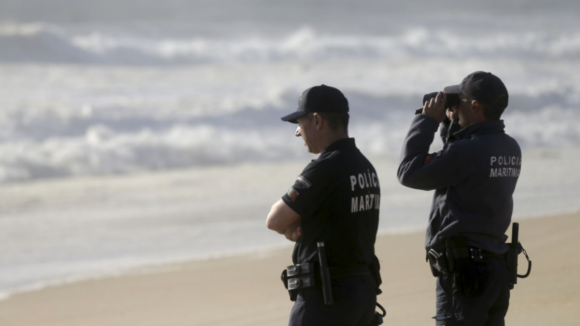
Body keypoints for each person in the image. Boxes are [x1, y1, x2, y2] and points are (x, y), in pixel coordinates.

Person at [397, 71, 522, 326]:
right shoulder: (509, 146)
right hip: (495, 268)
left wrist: (427, 121)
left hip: (465, 276)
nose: (454, 105)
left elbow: (408, 172)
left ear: (475, 106)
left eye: (460, 100)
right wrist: (451, 123)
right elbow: (456, 161)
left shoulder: (468, 151)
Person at [266, 84, 382, 326]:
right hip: (361, 295)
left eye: (300, 124)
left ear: (317, 120)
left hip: (327, 299)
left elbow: (275, 220)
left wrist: (293, 224)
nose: (298, 133)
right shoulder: (365, 166)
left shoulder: (325, 168)